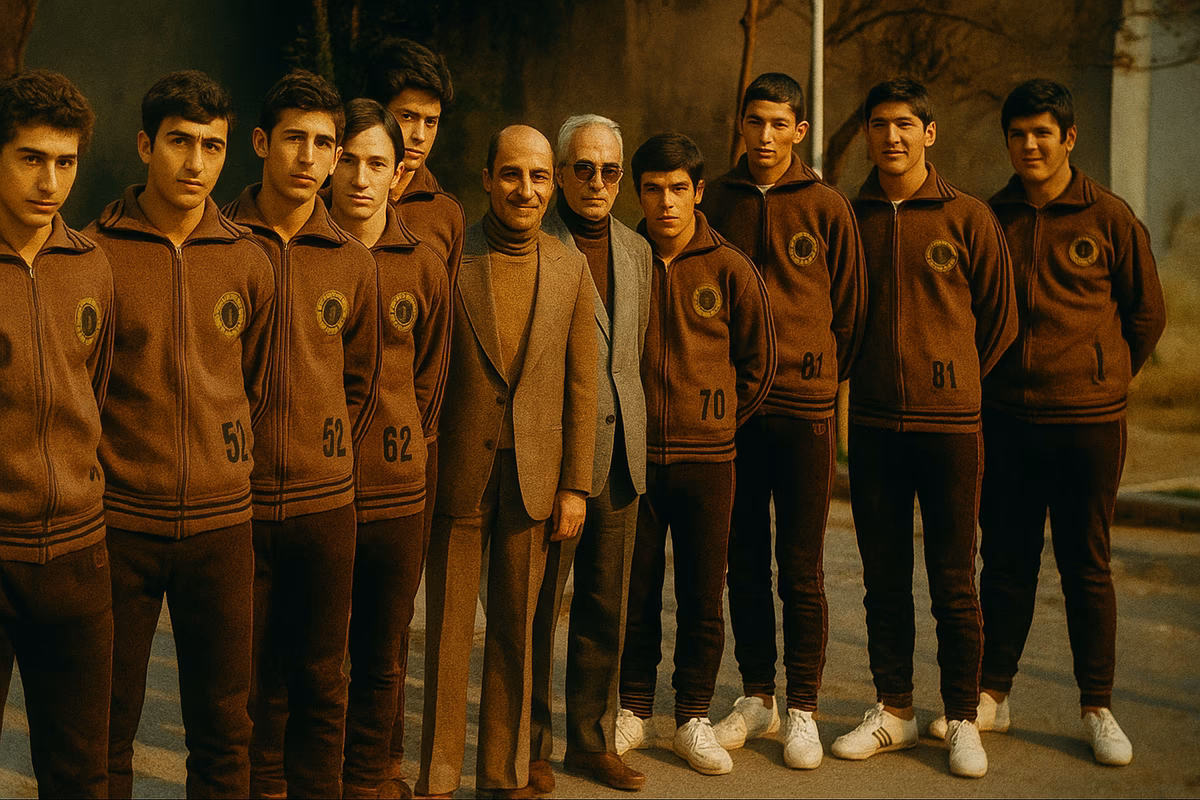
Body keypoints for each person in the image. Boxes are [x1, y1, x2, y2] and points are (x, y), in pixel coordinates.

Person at [925, 78, 1166, 767]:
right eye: (1018, 134)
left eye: (1043, 133)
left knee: (1086, 565)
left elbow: (1146, 313)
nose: (1030, 145)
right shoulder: (990, 216)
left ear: (1069, 138)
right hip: (1006, 421)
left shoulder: (1110, 217)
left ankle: (1097, 707)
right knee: (1005, 562)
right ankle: (992, 696)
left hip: (1089, 423)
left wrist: (1102, 377)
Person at [86, 70, 274, 799]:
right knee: (106, 729)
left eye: (212, 146)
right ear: (145, 145)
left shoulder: (247, 259)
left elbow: (254, 384)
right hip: (120, 526)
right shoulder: (93, 254)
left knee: (225, 733)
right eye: (179, 142)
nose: (196, 163)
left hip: (222, 530)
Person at [833, 77, 1017, 779]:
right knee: (883, 578)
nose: (892, 136)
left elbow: (999, 319)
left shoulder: (968, 216)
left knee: (953, 581)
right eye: (880, 123)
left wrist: (955, 376)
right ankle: (896, 710)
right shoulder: (850, 217)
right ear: (869, 133)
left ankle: (963, 717)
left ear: (929, 133)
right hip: (875, 425)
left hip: (951, 429)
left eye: (905, 123)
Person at [416, 124, 597, 799]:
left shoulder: (571, 268)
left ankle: (503, 774)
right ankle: (438, 776)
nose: (527, 189)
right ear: (488, 178)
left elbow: (583, 384)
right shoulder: (451, 259)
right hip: (459, 473)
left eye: (540, 176)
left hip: (535, 481)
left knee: (517, 633)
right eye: (513, 174)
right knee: (447, 633)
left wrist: (575, 485)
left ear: (553, 185)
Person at [700, 72, 866, 770]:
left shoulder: (827, 206)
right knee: (741, 559)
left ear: (799, 130)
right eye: (754, 122)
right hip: (735, 414)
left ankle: (803, 708)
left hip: (805, 414)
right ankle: (757, 695)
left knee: (800, 567)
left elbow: (850, 312)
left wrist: (815, 376)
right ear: (740, 124)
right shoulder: (715, 200)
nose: (764, 136)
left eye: (778, 124)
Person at [223, 69, 381, 798]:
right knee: (245, 681)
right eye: (294, 139)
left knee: (322, 676)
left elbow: (361, 380)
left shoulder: (351, 259)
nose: (308, 157)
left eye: (323, 143)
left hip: (325, 506)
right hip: (239, 505)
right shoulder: (220, 242)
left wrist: (324, 450)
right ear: (262, 142)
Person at [616, 132, 776, 777]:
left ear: (699, 192)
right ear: (638, 193)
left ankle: (691, 716)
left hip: (708, 461)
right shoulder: (621, 258)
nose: (666, 202)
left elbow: (758, 362)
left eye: (678, 188)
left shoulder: (730, 266)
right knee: (636, 590)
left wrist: (716, 423)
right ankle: (632, 708)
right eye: (653, 189)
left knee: (702, 596)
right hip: (635, 459)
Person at [325, 97, 451, 798]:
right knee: (311, 653)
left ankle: (369, 779)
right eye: (348, 159)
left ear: (398, 175)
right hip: (311, 489)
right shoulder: (299, 252)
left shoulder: (423, 265)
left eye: (377, 163)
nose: (360, 177)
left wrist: (394, 441)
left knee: (382, 651)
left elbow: (429, 376)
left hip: (397, 489)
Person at [528, 114, 651, 794]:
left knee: (606, 610)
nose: (597, 182)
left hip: (622, 459)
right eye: (583, 168)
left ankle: (591, 743)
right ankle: (530, 746)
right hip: (552, 462)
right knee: (538, 610)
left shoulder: (636, 250)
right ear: (561, 174)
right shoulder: (535, 242)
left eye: (609, 170)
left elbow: (630, 354)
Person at [0, 68, 114, 799]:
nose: (51, 182)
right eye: (31, 159)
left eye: (66, 162)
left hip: (77, 553)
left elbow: (91, 391)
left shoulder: (92, 264)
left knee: (78, 774)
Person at [362, 38, 465, 778]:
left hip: (407, 448)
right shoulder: (331, 185)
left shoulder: (444, 214)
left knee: (390, 618)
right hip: (320, 444)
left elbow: (440, 344)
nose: (418, 135)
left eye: (430, 121)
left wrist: (421, 429)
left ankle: (382, 762)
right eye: (406, 117)